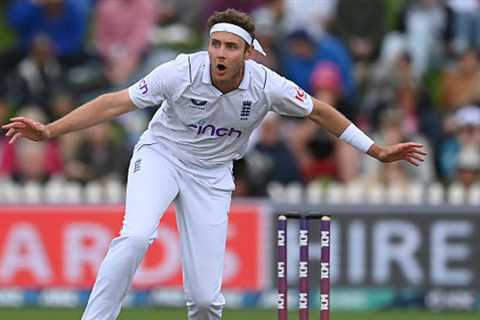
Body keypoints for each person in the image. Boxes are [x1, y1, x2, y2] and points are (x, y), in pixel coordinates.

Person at [1, 8, 426, 320]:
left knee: (205, 300)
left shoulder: (267, 85)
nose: (220, 53)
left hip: (212, 175)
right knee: (135, 237)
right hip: (162, 156)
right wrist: (51, 131)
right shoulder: (180, 71)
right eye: (216, 44)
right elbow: (114, 102)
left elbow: (320, 111)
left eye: (230, 47)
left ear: (248, 52)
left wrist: (377, 150)